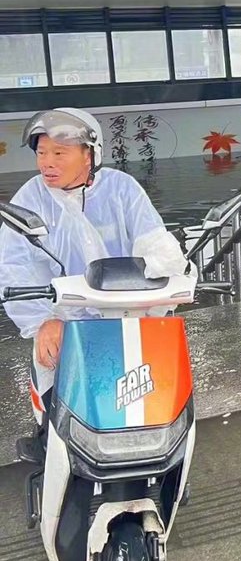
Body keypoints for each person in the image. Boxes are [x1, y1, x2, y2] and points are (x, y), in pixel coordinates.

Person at [0, 108, 187, 464]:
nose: (47, 163)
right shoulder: (30, 198)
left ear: (90, 154)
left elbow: (154, 241)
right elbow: (13, 266)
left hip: (129, 311)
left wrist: (171, 273)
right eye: (42, 153)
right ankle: (49, 438)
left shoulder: (122, 189)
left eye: (59, 153)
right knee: (53, 385)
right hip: (65, 318)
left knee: (160, 390)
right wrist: (42, 321)